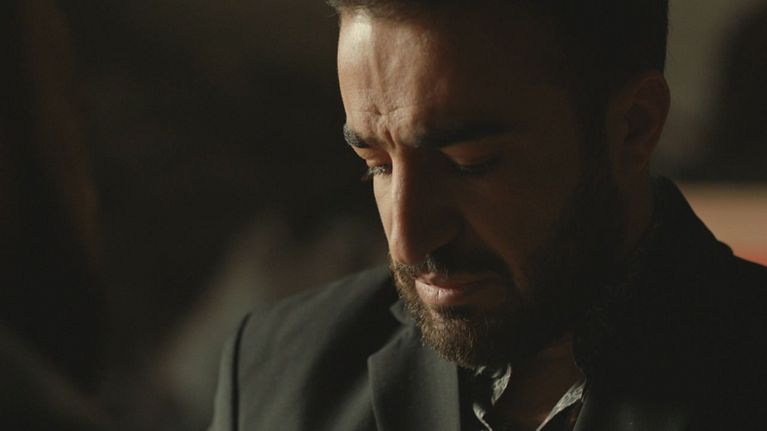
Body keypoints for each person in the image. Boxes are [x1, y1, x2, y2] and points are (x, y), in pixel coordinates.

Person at [210, 1, 767, 430]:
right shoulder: (273, 371)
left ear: (634, 128)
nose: (406, 241)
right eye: (376, 165)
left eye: (468, 165)